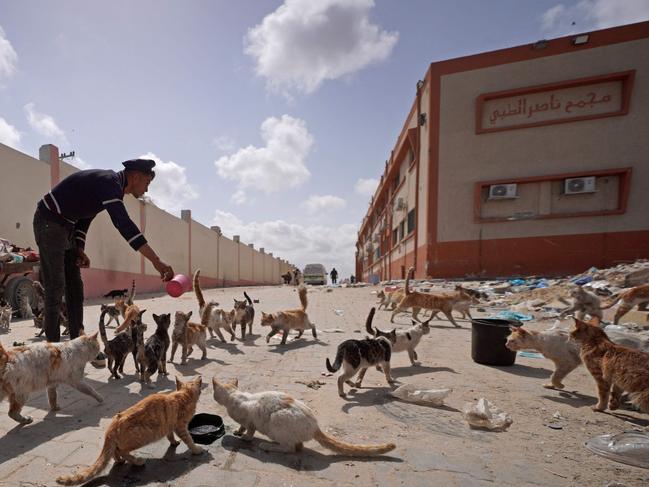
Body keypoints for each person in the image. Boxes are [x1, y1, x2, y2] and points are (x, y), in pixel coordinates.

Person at [33, 158, 174, 344]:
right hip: (48, 222)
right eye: (147, 183)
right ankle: (52, 351)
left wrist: (79, 248)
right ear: (136, 176)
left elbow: (85, 218)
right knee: (55, 286)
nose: (147, 189)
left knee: (75, 286)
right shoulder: (110, 182)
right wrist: (156, 261)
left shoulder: (110, 186)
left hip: (66, 227)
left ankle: (76, 344)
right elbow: (123, 224)